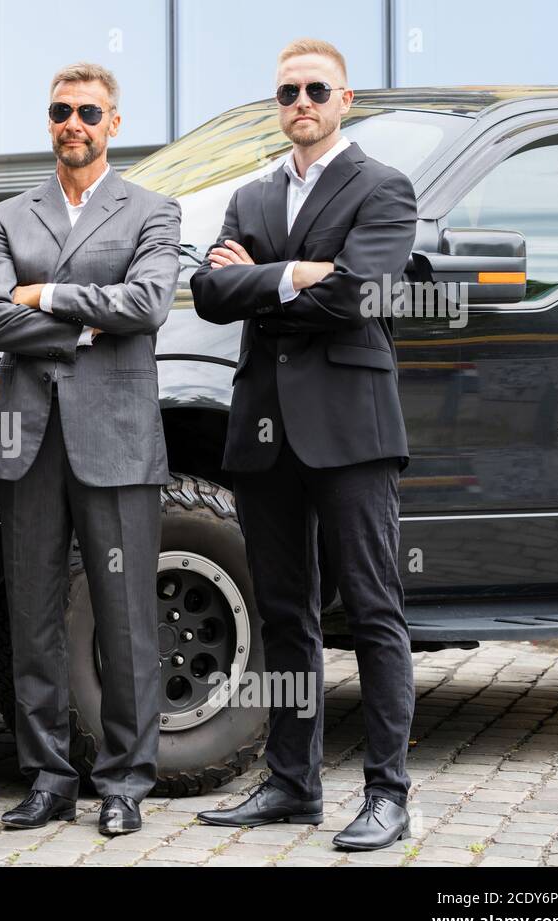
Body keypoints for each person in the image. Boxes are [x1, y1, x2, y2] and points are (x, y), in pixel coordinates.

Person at [190, 38, 417, 851]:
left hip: (352, 430)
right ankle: (293, 782)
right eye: (287, 91)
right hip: (264, 429)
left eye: (316, 89)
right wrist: (301, 274)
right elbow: (211, 292)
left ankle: (388, 793)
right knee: (285, 613)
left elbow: (359, 295)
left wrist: (268, 277)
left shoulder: (384, 186)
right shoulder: (252, 195)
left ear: (345, 99)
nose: (301, 102)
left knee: (374, 610)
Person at [0, 62, 181, 836]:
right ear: (49, 119)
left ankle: (125, 781)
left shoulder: (152, 211)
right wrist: (92, 322)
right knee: (31, 615)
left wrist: (47, 296)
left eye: (89, 111)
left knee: (126, 616)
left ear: (113, 123)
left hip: (117, 441)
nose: (74, 123)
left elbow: (149, 303)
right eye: (61, 110)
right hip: (27, 440)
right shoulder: (8, 216)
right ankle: (48, 776)